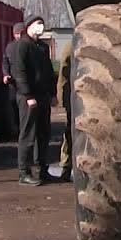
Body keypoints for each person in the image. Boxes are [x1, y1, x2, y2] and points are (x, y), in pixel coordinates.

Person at [9, 14, 57, 185]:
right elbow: (19, 72)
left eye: (42, 24)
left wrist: (52, 94)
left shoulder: (42, 47)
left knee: (44, 134)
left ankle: (42, 169)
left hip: (43, 96)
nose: (40, 27)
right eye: (37, 24)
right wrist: (28, 95)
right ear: (28, 27)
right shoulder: (22, 46)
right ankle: (24, 172)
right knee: (28, 134)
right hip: (28, 98)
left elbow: (49, 72)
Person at [54, 39, 74, 181]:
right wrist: (63, 99)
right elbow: (64, 75)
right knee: (70, 132)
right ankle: (66, 166)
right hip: (75, 97)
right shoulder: (72, 44)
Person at [0, 21, 24, 139]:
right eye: (17, 34)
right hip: (13, 85)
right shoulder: (10, 47)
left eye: (21, 33)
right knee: (14, 109)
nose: (19, 36)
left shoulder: (30, 46)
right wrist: (6, 74)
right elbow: (5, 62)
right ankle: (18, 130)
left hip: (25, 85)